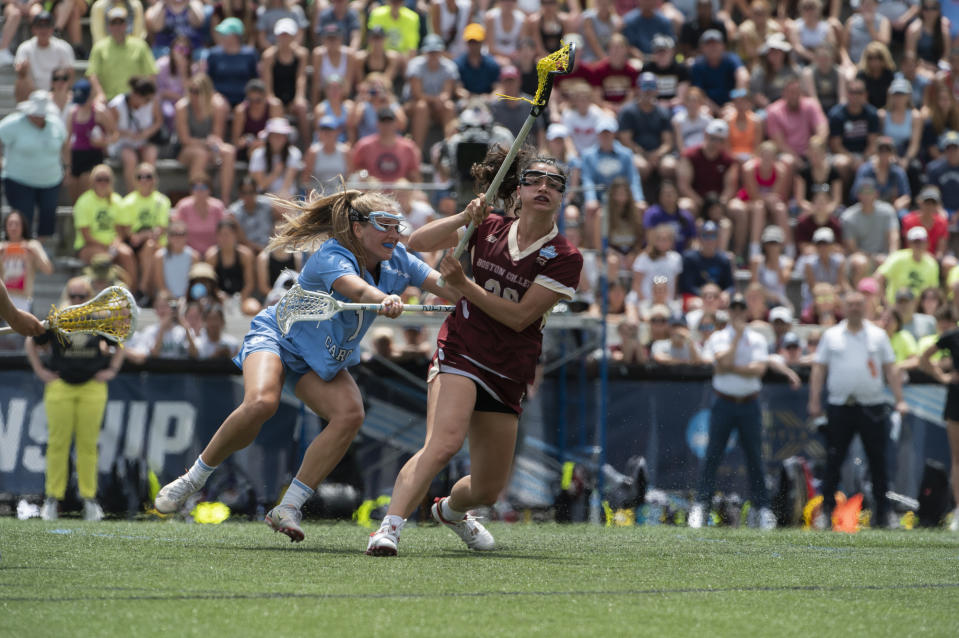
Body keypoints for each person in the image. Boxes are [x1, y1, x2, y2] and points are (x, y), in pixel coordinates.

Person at [154, 188, 450, 545]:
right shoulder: (332, 255)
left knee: (350, 414)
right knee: (262, 402)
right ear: (358, 229)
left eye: (396, 226)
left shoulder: (400, 259)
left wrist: (473, 291)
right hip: (278, 338)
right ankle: (194, 478)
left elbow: (444, 286)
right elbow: (355, 290)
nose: (394, 234)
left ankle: (288, 506)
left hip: (319, 359)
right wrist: (383, 298)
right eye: (384, 225)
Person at [366, 149, 583, 556]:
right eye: (534, 179)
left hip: (508, 370)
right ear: (517, 191)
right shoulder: (491, 226)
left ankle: (449, 511)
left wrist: (464, 285)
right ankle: (388, 529)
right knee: (444, 443)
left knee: (487, 488)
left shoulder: (566, 257)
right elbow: (416, 242)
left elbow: (519, 318)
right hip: (462, 350)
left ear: (561, 198)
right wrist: (467, 218)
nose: (544, 188)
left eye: (554, 184)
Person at [25, 277, 124, 522]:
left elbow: (119, 342)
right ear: (67, 295)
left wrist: (111, 370)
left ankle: (89, 500)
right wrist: (40, 371)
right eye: (74, 295)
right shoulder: (57, 319)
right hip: (61, 387)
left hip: (91, 387)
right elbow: (31, 339)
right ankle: (52, 499)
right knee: (58, 444)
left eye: (82, 296)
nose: (77, 300)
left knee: (88, 446)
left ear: (90, 297)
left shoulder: (99, 320)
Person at [808, 291, 907, 529]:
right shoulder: (831, 335)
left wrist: (899, 399)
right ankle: (827, 512)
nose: (854, 308)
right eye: (850, 304)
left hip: (872, 406)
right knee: (834, 460)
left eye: (858, 304)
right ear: (844, 307)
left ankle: (883, 514)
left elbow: (891, 369)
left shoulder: (878, 335)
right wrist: (814, 400)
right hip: (841, 405)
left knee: (878, 462)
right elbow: (819, 369)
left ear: (866, 307)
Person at [689, 292, 777, 530]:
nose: (737, 313)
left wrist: (731, 367)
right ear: (728, 312)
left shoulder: (758, 339)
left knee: (755, 458)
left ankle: (762, 508)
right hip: (724, 403)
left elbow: (758, 370)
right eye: (734, 309)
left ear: (746, 311)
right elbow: (721, 363)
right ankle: (701, 504)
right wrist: (737, 340)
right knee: (712, 456)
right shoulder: (718, 337)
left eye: (741, 309)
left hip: (750, 403)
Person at [0, 90, 66, 240]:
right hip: (19, 181)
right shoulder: (13, 123)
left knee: (48, 219)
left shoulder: (56, 124)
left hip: (51, 181)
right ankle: (21, 254)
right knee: (23, 219)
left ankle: (42, 254)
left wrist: (67, 166)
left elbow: (65, 143)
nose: (38, 118)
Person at [919, 316, 959, 531]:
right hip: (956, 399)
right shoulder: (952, 336)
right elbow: (924, 358)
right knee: (957, 457)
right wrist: (943, 377)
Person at [175, 73, 236, 203]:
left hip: (208, 147)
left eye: (197, 91)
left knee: (229, 152)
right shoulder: (182, 107)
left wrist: (213, 147)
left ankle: (225, 200)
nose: (193, 94)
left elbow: (217, 136)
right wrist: (205, 143)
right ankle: (195, 200)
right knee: (201, 154)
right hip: (186, 150)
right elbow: (185, 140)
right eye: (190, 90)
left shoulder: (217, 106)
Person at [86, 6, 157, 103]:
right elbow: (92, 74)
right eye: (113, 23)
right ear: (109, 26)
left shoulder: (140, 45)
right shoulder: (99, 47)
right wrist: (100, 94)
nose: (117, 26)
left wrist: (146, 96)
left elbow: (151, 73)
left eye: (121, 23)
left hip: (136, 101)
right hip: (108, 99)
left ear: (126, 25)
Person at [120, 162, 170, 296]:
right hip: (136, 243)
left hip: (155, 242)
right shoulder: (127, 201)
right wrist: (143, 236)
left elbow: (161, 230)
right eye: (140, 177)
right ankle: (142, 292)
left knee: (150, 247)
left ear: (155, 179)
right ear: (135, 180)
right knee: (147, 249)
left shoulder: (162, 201)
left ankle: (141, 290)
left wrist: (143, 236)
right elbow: (128, 233)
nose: (144, 180)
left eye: (148, 176)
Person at [13, 11, 75, 104]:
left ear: (52, 28)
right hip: (32, 94)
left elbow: (70, 75)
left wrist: (55, 94)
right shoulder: (25, 48)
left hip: (57, 95)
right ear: (33, 29)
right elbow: (20, 73)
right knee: (21, 79)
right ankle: (26, 109)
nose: (43, 30)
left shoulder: (63, 47)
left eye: (47, 26)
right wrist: (22, 71)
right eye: (39, 26)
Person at [0, 210, 54, 313]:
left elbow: (48, 270)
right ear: (5, 227)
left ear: (23, 226)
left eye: (17, 224)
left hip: (24, 301)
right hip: (3, 301)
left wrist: (34, 253)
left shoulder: (33, 245)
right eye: (10, 224)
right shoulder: (1, 246)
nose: (13, 227)